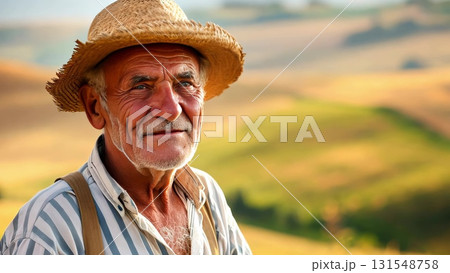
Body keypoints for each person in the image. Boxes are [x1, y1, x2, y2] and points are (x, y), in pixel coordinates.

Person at [0, 0, 251, 255]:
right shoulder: (51, 227)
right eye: (141, 86)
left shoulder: (208, 198)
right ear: (95, 107)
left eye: (185, 83)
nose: (172, 109)